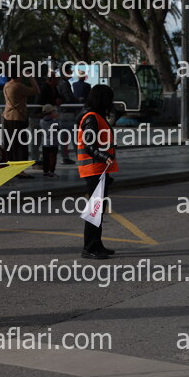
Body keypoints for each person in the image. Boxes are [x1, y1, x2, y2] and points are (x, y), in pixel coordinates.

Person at [76, 85, 118, 259]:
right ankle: (90, 247)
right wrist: (104, 156)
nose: (111, 102)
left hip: (100, 168)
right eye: (110, 99)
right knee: (94, 210)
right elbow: (89, 145)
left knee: (98, 210)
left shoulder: (97, 116)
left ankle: (97, 244)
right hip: (94, 169)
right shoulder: (91, 118)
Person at [2, 65, 40, 179]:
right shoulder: (18, 86)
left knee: (10, 144)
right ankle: (20, 171)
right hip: (17, 118)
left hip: (7, 117)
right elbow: (37, 90)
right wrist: (31, 78)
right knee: (20, 145)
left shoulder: (7, 85)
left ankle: (11, 168)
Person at [31, 71, 62, 166]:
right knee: (36, 140)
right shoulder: (44, 88)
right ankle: (35, 160)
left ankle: (43, 159)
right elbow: (45, 101)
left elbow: (58, 98)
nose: (58, 80)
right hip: (38, 117)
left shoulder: (54, 88)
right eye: (57, 78)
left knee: (45, 139)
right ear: (51, 79)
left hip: (44, 117)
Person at [57, 64, 79, 165]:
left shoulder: (61, 83)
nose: (71, 72)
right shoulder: (64, 84)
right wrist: (78, 101)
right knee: (74, 136)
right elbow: (69, 98)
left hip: (63, 112)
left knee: (64, 137)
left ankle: (65, 157)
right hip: (68, 112)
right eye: (70, 70)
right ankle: (79, 155)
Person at [40, 104, 59, 178]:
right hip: (53, 142)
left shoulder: (41, 121)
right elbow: (58, 127)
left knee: (46, 157)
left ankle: (45, 171)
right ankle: (51, 171)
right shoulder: (54, 122)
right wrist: (56, 119)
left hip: (45, 143)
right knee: (53, 157)